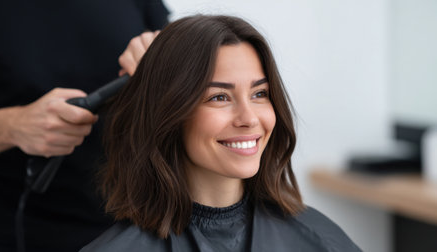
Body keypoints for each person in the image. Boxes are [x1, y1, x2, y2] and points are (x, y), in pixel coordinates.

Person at [81, 15, 362, 251]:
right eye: (219, 97)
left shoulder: (321, 241)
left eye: (260, 93)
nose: (249, 118)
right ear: (167, 113)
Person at [0, 1, 168, 251]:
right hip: (18, 231)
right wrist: (10, 126)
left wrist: (163, 46)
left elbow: (178, 55)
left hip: (135, 223)